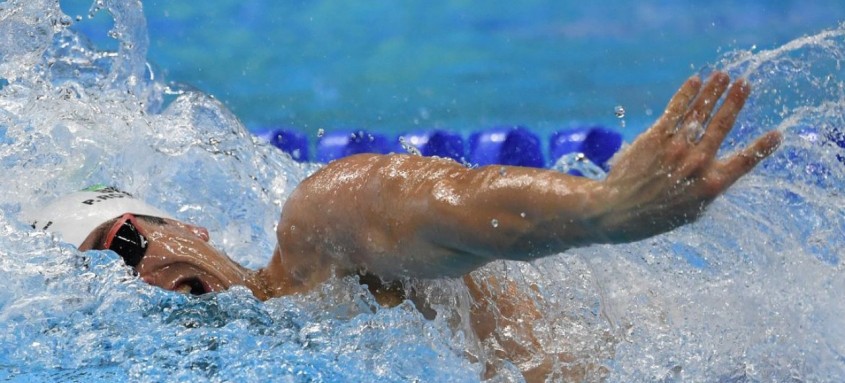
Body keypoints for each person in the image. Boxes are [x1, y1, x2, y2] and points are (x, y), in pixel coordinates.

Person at [25, 72, 782, 380]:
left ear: (188, 226)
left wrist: (607, 211)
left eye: (121, 242)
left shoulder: (319, 244)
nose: (131, 278)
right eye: (102, 283)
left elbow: (439, 205)